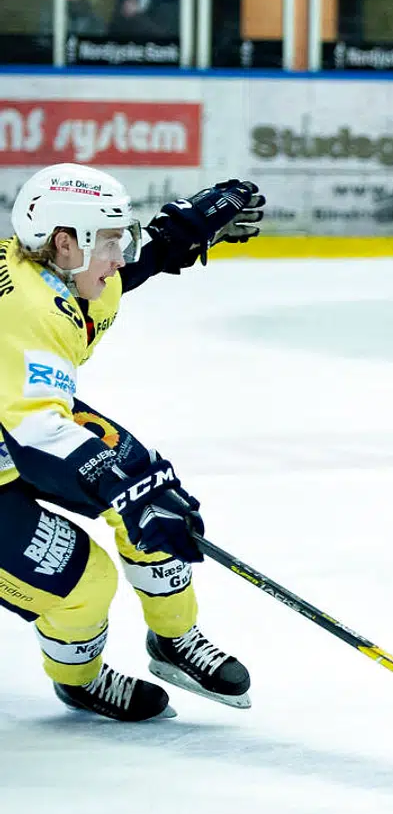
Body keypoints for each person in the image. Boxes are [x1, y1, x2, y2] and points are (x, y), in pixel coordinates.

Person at [1, 164, 265, 721]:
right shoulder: (24, 310)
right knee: (84, 580)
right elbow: (36, 434)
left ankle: (174, 639)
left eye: (122, 238)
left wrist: (175, 238)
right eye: (110, 240)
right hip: (23, 428)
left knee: (152, 489)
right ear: (65, 242)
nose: (120, 255)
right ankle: (81, 680)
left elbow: (126, 273)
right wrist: (126, 490)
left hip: (20, 419)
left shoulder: (58, 270)